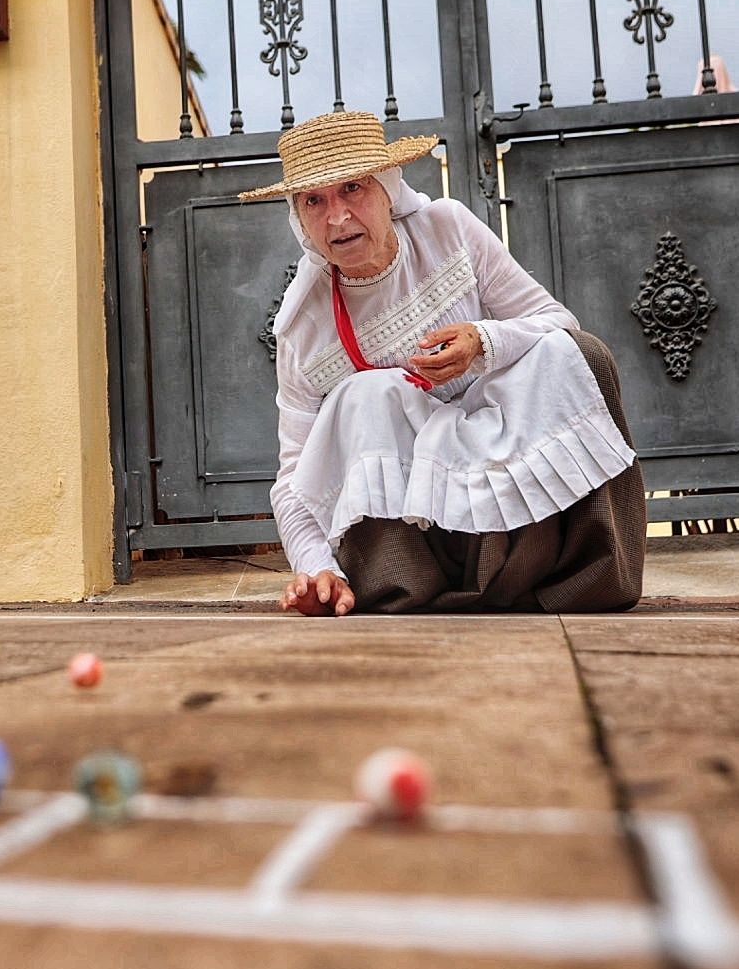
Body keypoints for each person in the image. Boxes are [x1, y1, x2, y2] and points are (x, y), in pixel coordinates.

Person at [238, 110, 645, 616]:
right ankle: (404, 587)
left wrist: (483, 340)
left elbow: (556, 321)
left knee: (579, 356)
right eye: (313, 201)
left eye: (352, 188)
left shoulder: (448, 229)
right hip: (419, 538)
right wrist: (318, 568)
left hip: (499, 470)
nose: (337, 217)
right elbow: (294, 474)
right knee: (364, 394)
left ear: (388, 187)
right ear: (298, 217)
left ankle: (579, 575)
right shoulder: (303, 325)